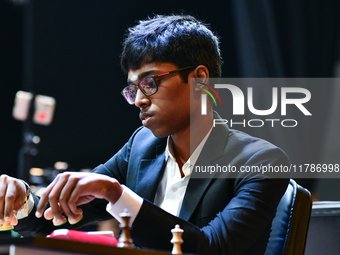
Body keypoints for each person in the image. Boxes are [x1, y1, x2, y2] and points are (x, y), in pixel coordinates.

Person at [0, 14, 289, 254]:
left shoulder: (260, 162)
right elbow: (51, 220)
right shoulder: (141, 146)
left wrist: (116, 193)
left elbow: (211, 248)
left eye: (150, 83)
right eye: (132, 89)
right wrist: (21, 199)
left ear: (200, 79)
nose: (139, 99)